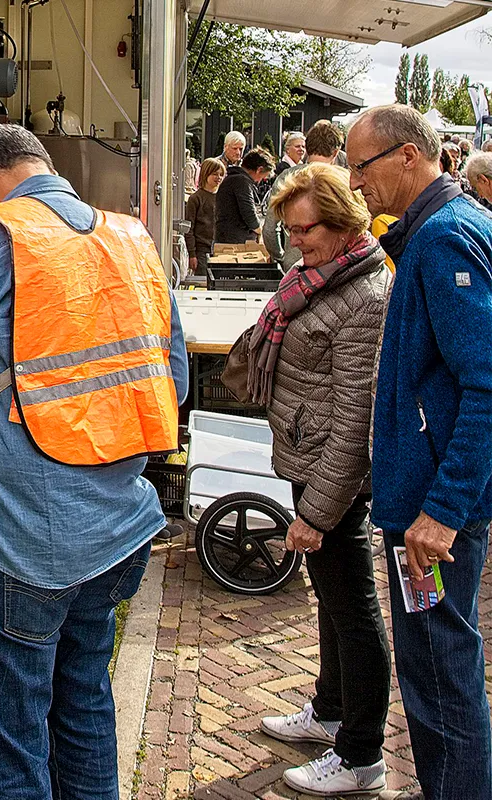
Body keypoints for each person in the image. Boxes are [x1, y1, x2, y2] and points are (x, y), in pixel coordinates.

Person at [0, 124, 188, 800]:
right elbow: (171, 386)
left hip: (13, 549)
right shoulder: (131, 238)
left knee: (6, 746)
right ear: (46, 169)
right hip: (116, 536)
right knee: (81, 709)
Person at [348, 103, 492, 800]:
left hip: (435, 519)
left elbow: (487, 384)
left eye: (362, 166)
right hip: (427, 504)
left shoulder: (443, 239)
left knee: (441, 679)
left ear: (410, 156)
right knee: (436, 676)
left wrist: (442, 509)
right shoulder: (439, 232)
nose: (355, 183)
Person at [247, 164, 393, 795]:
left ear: (340, 223)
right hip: (308, 462)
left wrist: (318, 512)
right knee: (334, 604)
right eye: (289, 229)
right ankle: (330, 711)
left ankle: (361, 755)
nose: (294, 242)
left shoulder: (364, 296)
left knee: (355, 610)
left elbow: (357, 418)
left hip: (331, 476)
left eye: (303, 230)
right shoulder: (318, 277)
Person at [263, 121, 344, 269]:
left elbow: (270, 228)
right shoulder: (344, 181)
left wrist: (282, 257)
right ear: (336, 152)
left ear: (307, 148)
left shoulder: (287, 178)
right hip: (335, 267)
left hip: (295, 266)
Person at [216, 148, 274, 244]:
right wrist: (260, 231)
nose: (259, 181)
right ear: (259, 170)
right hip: (236, 242)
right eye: (263, 177)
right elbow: (249, 214)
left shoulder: (234, 179)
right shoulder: (241, 182)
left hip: (229, 238)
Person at [185, 157, 225, 274]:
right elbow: (189, 229)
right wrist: (192, 254)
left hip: (221, 249)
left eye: (221, 175)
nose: (219, 178)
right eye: (215, 174)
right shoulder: (195, 198)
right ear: (206, 174)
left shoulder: (224, 197)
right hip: (202, 250)